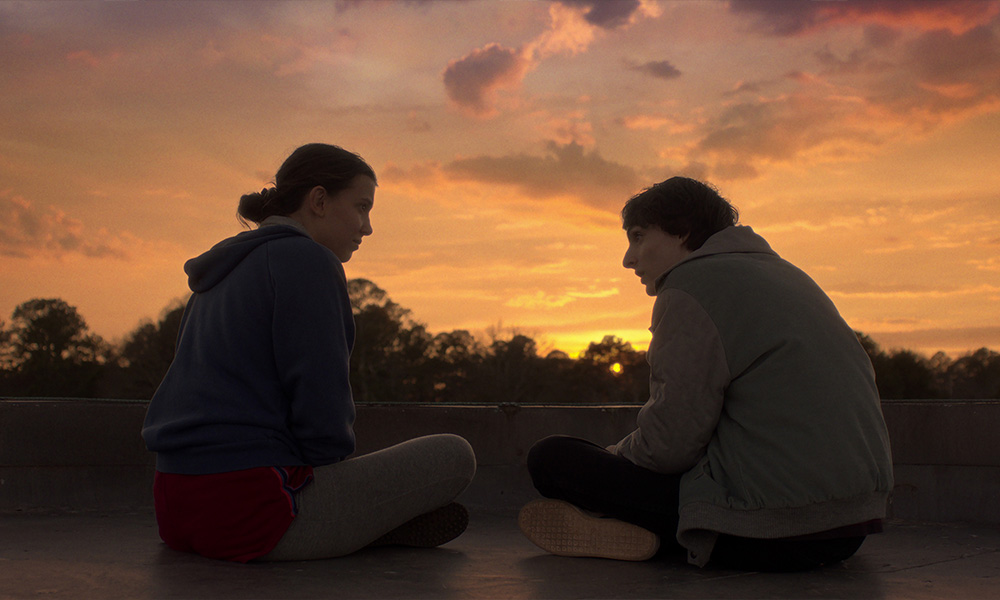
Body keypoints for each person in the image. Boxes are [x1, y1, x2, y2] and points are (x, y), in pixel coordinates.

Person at [519, 176, 893, 571]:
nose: (629, 259)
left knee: (551, 458)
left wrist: (614, 458)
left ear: (681, 231)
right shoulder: (787, 275)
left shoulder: (690, 287)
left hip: (774, 531)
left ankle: (649, 528)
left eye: (639, 237)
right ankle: (644, 529)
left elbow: (669, 445)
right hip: (850, 527)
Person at [141, 143, 476, 563]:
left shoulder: (224, 267)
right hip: (254, 513)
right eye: (361, 207)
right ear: (319, 200)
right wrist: (331, 468)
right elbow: (321, 400)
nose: (367, 227)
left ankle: (362, 524)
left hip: (175, 509)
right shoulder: (308, 260)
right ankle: (362, 526)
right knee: (454, 456)